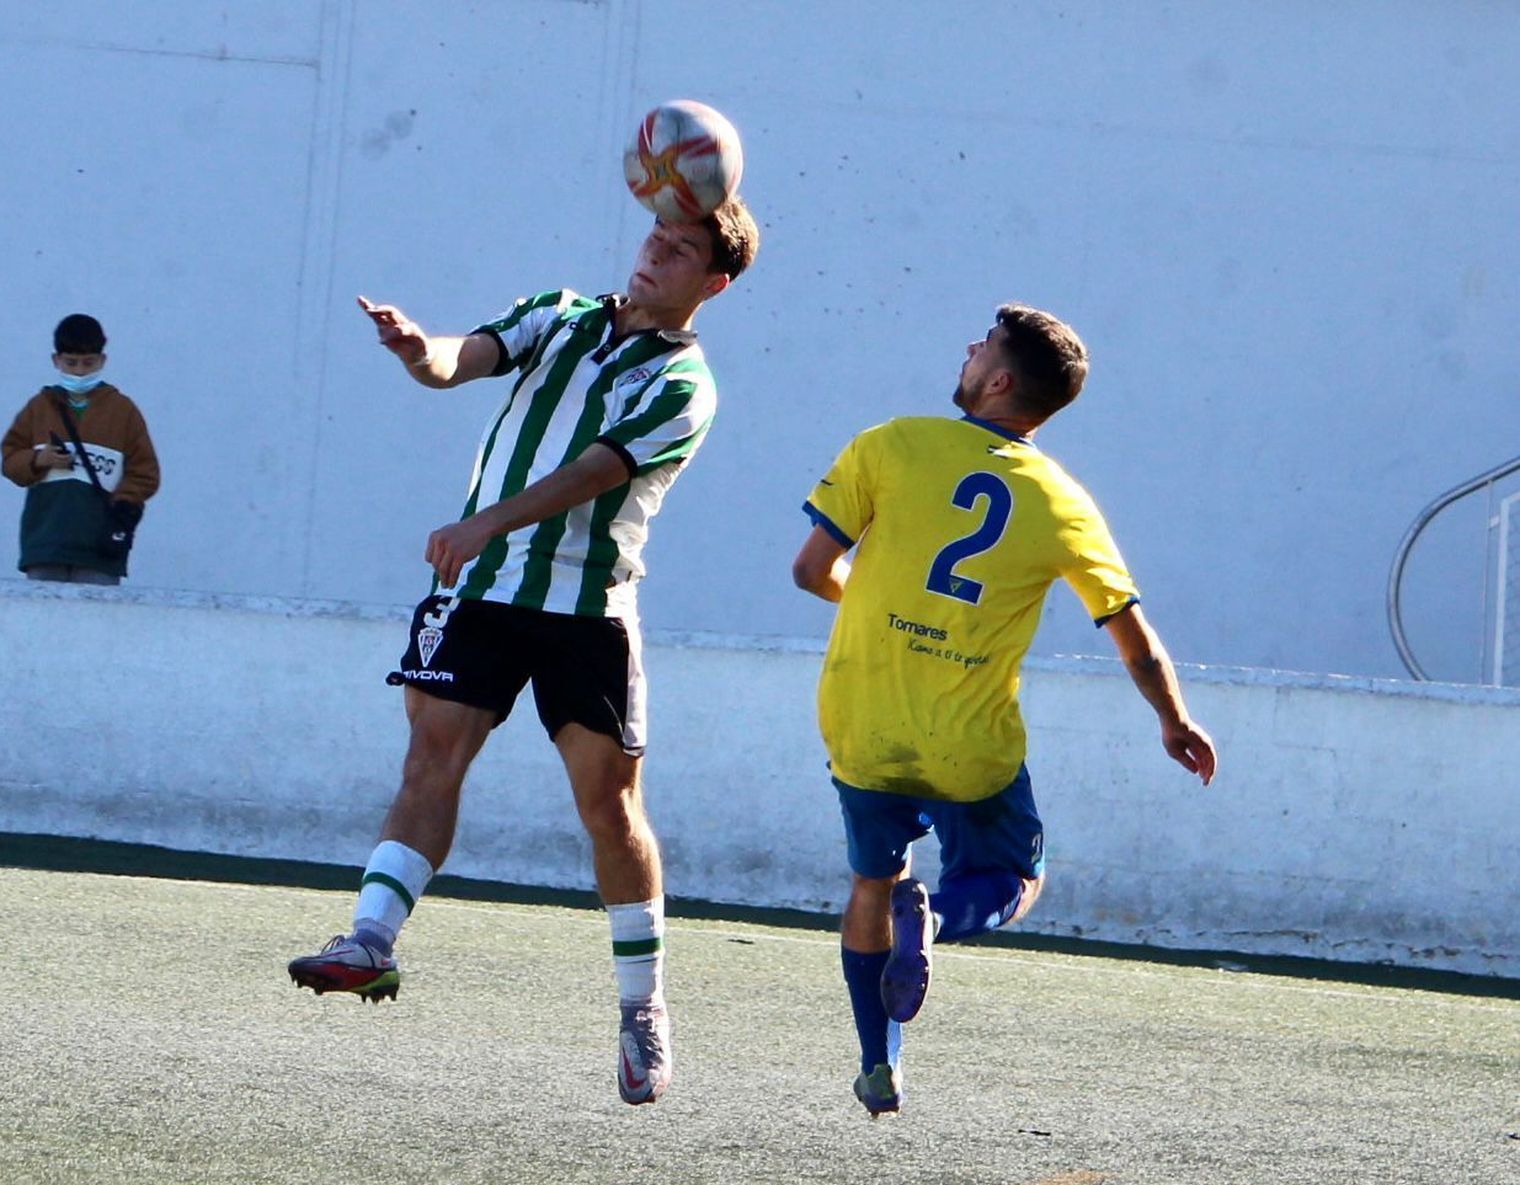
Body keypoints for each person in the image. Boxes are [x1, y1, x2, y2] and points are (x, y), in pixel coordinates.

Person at [287, 200, 760, 1108]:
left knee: (609, 807)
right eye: (656, 236)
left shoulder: (685, 384)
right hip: (482, 592)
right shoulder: (560, 314)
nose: (655, 252)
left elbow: (593, 472)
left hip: (588, 608)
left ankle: (642, 1005)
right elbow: (460, 360)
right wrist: (418, 349)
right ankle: (370, 939)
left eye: (681, 249)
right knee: (430, 756)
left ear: (714, 282)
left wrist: (485, 522)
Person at [792, 302, 1217, 1117]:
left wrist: (873, 605)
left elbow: (811, 570)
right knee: (1016, 877)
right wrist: (1173, 717)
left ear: (997, 380)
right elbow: (1133, 636)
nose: (968, 348)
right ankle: (937, 921)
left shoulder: (890, 443)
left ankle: (879, 1063)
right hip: (968, 741)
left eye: (982, 345)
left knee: (872, 882)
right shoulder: (1063, 501)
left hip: (861, 717)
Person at [0, 313, 160, 585]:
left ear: (102, 360)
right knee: (41, 610)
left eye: (88, 362)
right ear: (56, 360)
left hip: (99, 546)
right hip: (45, 541)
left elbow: (145, 471)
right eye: (71, 363)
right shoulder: (39, 407)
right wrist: (38, 459)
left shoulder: (123, 411)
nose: (80, 371)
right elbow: (10, 460)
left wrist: (124, 502)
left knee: (97, 610)